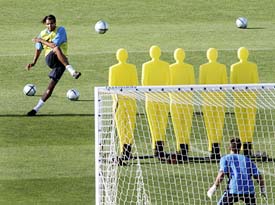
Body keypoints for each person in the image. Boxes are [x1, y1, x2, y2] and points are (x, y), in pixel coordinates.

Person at [26, 14, 81, 116]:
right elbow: (39, 49)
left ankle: (35, 109)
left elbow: (52, 44)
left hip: (61, 63)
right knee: (56, 49)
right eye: (47, 24)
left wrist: (40, 40)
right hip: (50, 59)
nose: (50, 26)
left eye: (51, 23)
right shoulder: (42, 33)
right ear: (45, 24)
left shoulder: (61, 30)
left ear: (55, 23)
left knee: (50, 87)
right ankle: (72, 71)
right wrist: (34, 62)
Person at [207, 137, 266, 205]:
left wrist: (213, 188)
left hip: (234, 188)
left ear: (230, 147)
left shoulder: (225, 158)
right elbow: (258, 176)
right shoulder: (247, 159)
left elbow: (221, 174)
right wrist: (262, 189)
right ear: (240, 147)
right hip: (249, 190)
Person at [108, 48, 138, 164]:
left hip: (119, 102)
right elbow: (135, 84)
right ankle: (127, 150)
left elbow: (112, 87)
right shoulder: (132, 68)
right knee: (130, 126)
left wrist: (115, 101)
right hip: (131, 100)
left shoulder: (113, 69)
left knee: (121, 127)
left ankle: (124, 150)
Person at [141, 45, 170, 160]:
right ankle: (160, 148)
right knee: (162, 123)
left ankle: (156, 147)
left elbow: (144, 82)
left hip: (151, 97)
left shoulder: (146, 66)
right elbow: (169, 81)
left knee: (154, 124)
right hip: (163, 97)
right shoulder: (165, 65)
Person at [199, 48, 227, 159]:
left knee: (210, 125)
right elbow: (224, 84)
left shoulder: (203, 68)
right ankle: (217, 148)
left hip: (208, 101)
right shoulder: (222, 67)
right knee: (218, 125)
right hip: (219, 101)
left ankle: (212, 148)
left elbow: (202, 84)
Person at [230, 47, 259, 157]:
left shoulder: (235, 67)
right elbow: (255, 83)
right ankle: (248, 146)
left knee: (242, 123)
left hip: (239, 100)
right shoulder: (252, 66)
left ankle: (244, 147)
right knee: (249, 123)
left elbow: (233, 84)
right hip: (250, 99)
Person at [169, 48, 195, 161]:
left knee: (178, 126)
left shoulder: (170, 68)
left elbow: (168, 85)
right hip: (187, 101)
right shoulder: (189, 68)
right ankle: (185, 148)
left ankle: (180, 148)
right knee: (186, 126)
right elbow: (192, 84)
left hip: (175, 101)